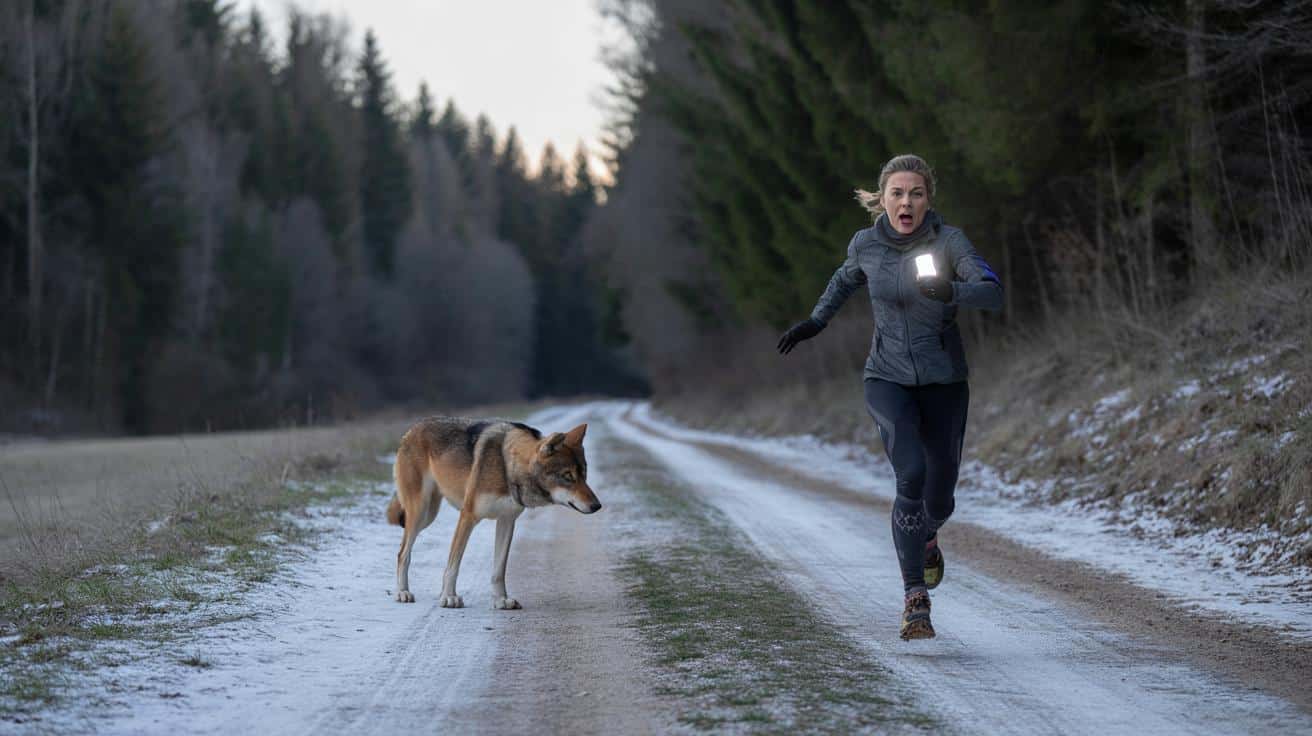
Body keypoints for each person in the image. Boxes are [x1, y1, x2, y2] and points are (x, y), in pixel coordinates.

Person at [776, 154, 1003, 640]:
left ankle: (928, 536)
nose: (906, 201)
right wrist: (816, 321)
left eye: (916, 193)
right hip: (887, 378)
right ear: (882, 199)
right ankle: (914, 599)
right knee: (911, 475)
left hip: (945, 382)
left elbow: (991, 292)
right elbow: (842, 282)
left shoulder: (949, 241)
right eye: (897, 193)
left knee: (940, 495)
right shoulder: (867, 244)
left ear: (928, 200)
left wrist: (953, 292)